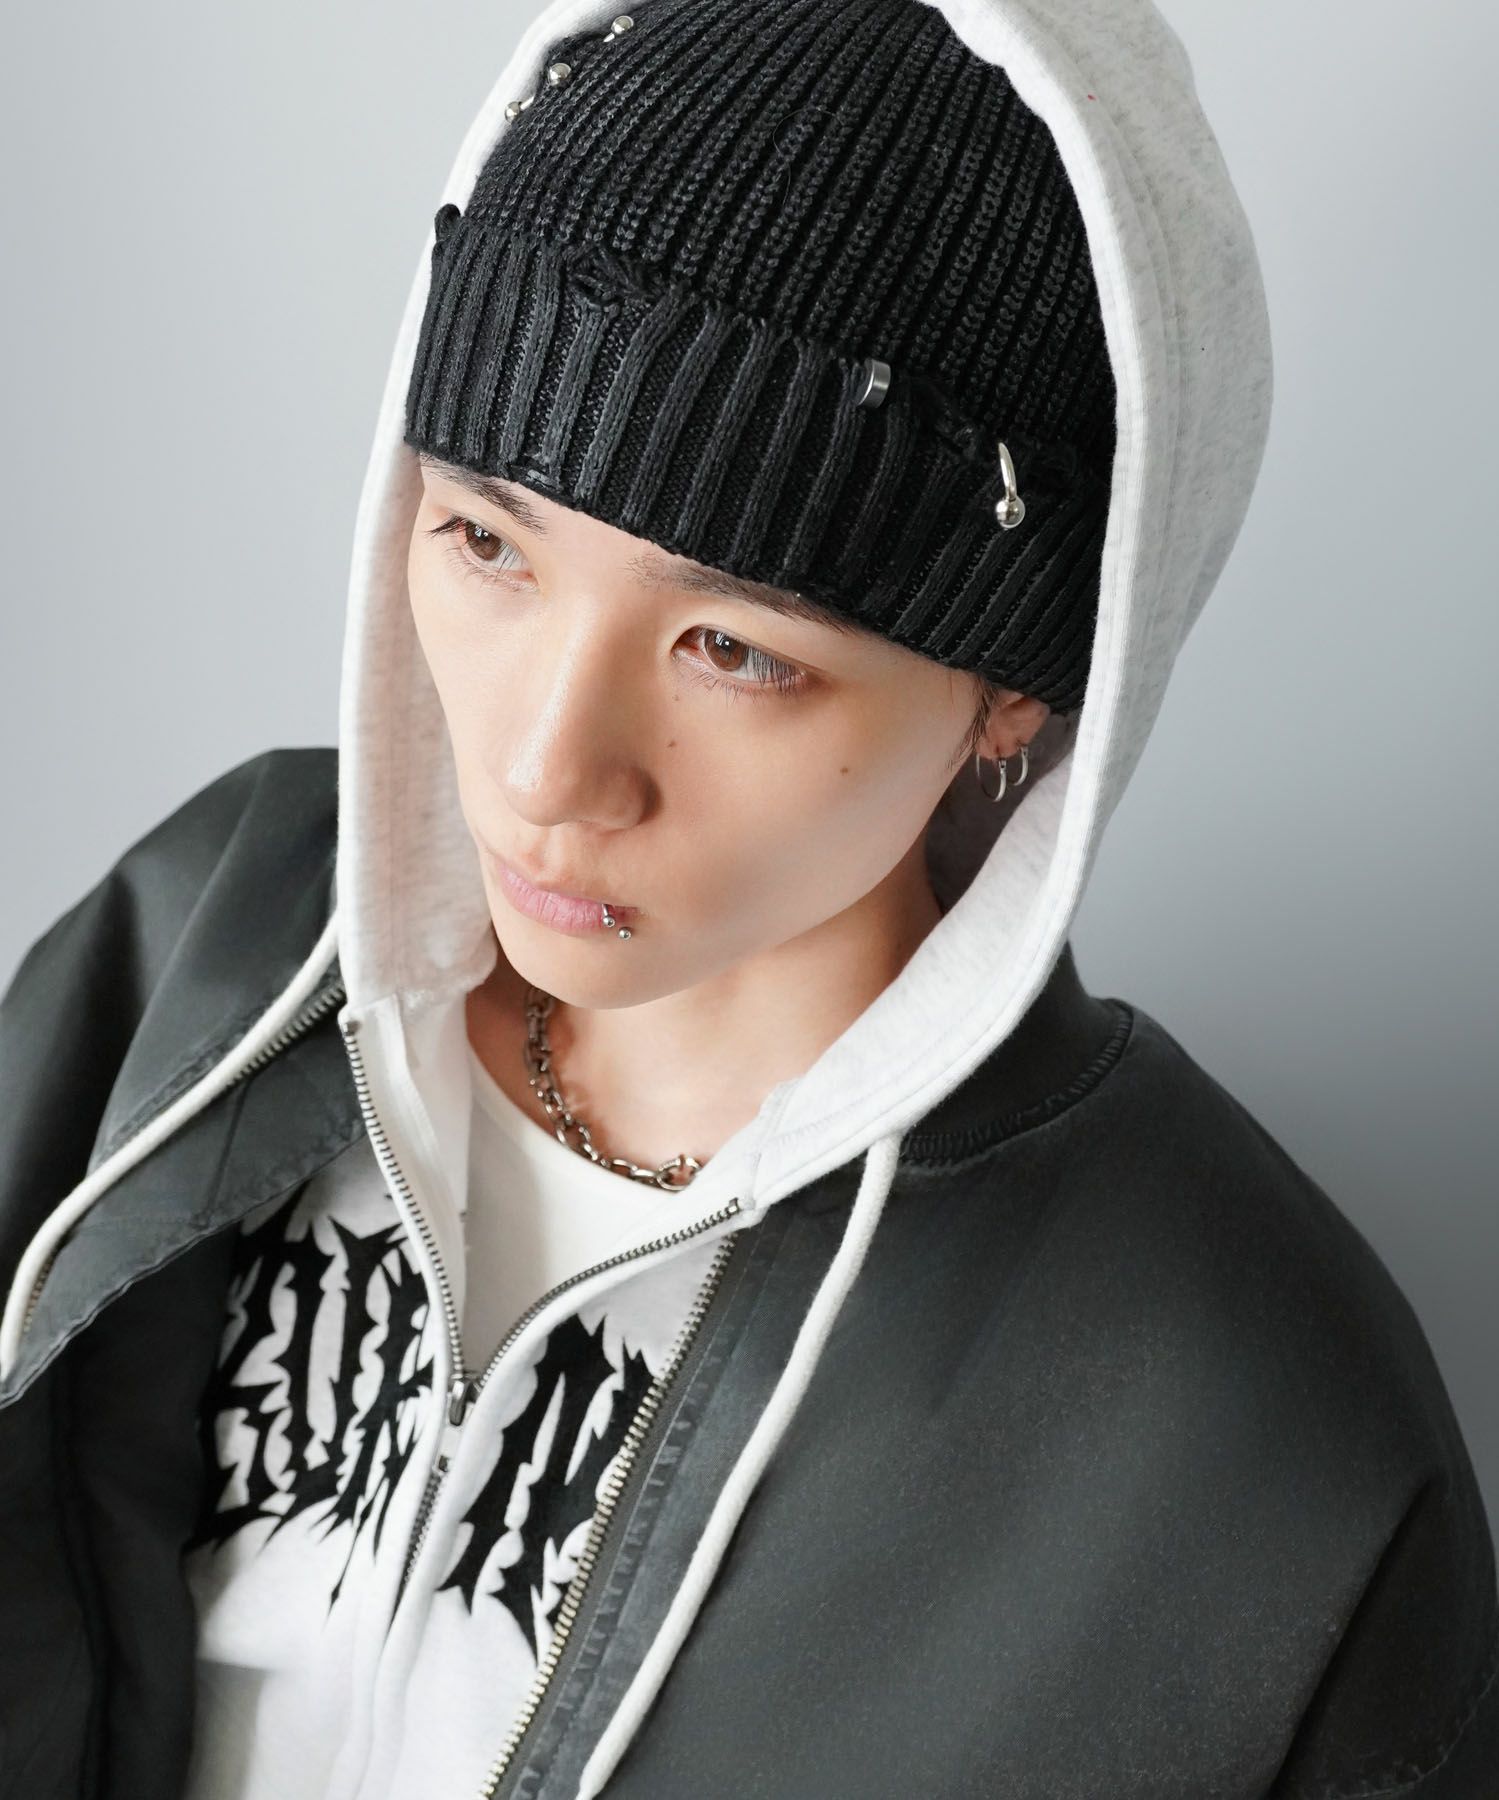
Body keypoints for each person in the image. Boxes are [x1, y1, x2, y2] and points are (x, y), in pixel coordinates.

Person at [1, 0, 1495, 1793]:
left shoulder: (1246, 1419)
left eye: (735, 649)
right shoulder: (212, 939)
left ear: (1018, 695)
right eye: (487, 542)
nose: (546, 767)